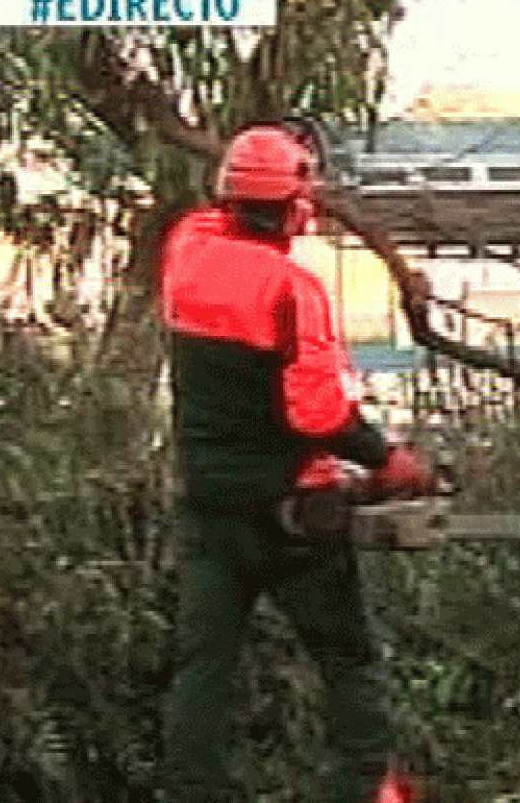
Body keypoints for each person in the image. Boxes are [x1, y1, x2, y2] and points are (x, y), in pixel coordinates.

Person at [160, 121, 437, 803]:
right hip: (291, 516)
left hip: (209, 508)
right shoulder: (292, 288)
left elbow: (209, 213)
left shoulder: (185, 253)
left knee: (203, 667)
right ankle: (365, 786)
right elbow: (316, 413)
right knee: (348, 659)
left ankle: (188, 791)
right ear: (295, 206)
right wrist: (387, 458)